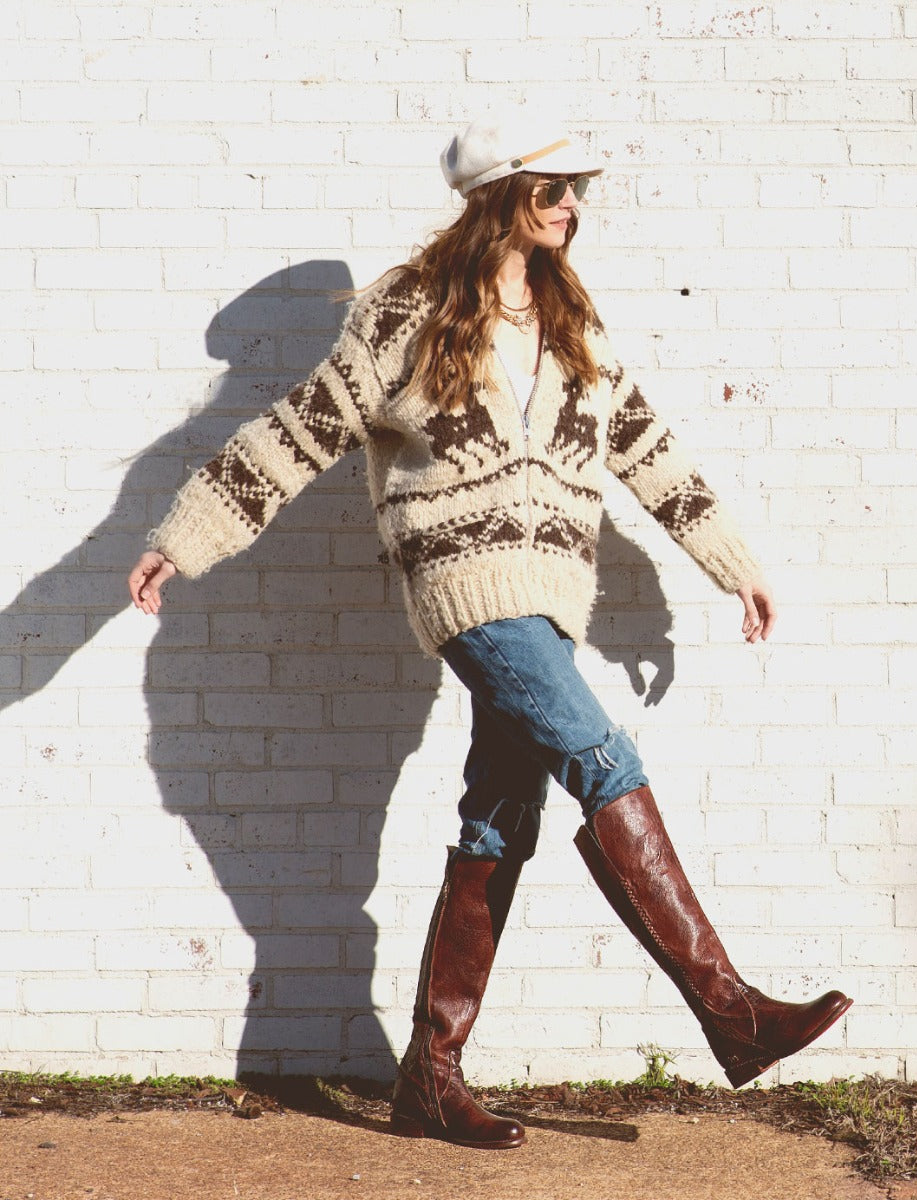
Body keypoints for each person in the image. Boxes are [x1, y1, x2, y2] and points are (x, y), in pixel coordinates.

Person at [128, 110, 852, 1151]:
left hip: (550, 602)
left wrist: (735, 567)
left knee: (495, 823)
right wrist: (182, 539)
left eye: (577, 193)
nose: (570, 208)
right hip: (469, 591)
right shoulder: (404, 313)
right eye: (551, 190)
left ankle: (429, 1077)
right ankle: (729, 1012)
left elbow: (647, 450)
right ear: (498, 198)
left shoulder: (572, 321)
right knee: (603, 760)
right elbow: (300, 431)